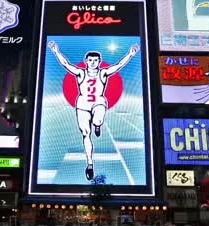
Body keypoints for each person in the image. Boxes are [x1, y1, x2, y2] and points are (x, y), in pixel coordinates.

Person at [47, 40, 140, 180]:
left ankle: (97, 125)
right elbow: (65, 64)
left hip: (98, 102)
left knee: (98, 119)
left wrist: (130, 54)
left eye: (95, 60)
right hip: (83, 104)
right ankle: (90, 164)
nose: (92, 63)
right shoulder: (80, 73)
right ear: (86, 61)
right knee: (85, 133)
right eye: (90, 60)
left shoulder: (103, 73)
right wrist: (56, 51)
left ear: (99, 62)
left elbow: (118, 65)